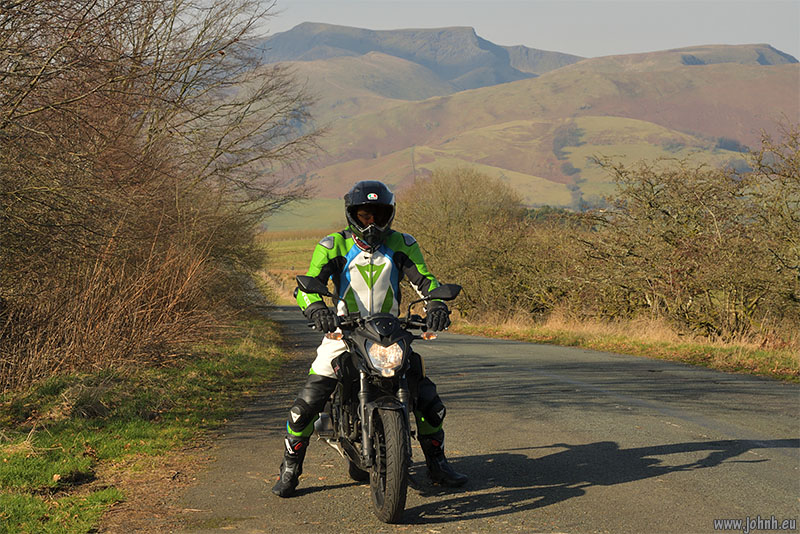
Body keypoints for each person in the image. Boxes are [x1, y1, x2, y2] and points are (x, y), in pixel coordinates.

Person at [272, 180, 468, 497]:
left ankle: (437, 464)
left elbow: (427, 281)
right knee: (305, 405)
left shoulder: (403, 243)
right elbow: (306, 289)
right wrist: (317, 311)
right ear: (352, 215)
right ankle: (290, 469)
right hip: (343, 332)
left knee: (429, 400)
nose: (372, 222)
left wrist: (438, 306)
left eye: (378, 214)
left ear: (389, 214)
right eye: (365, 215)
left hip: (391, 331)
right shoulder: (331, 245)